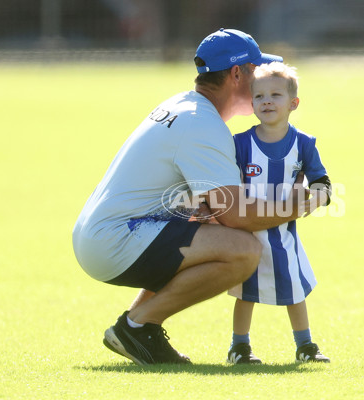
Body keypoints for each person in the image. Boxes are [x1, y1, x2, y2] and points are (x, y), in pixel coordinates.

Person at [72, 28, 307, 365]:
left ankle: (137, 327)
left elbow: (206, 207)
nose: (265, 82)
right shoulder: (202, 124)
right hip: (114, 240)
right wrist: (297, 204)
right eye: (258, 71)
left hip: (102, 233)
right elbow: (237, 216)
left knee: (214, 230)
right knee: (242, 251)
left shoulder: (184, 104)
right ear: (237, 74)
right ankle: (137, 326)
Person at [226, 62, 332, 364]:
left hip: (285, 234)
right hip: (247, 233)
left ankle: (305, 346)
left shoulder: (304, 143)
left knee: (294, 290)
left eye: (275, 95)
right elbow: (228, 184)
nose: (267, 101)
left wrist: (319, 196)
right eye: (259, 97)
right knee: (246, 293)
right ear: (251, 103)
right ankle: (239, 347)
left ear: (293, 103)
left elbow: (321, 180)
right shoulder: (241, 144)